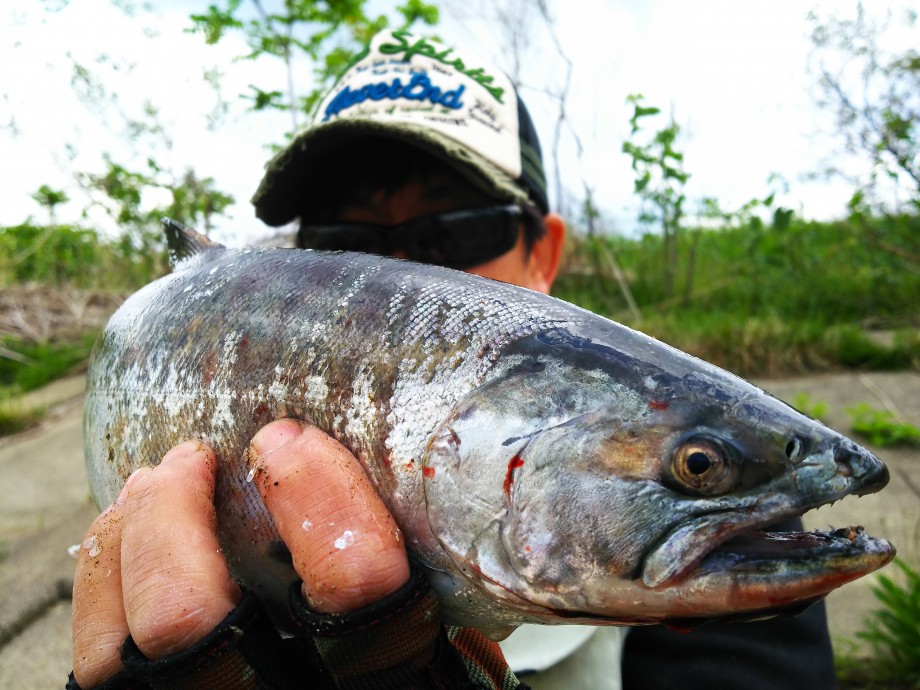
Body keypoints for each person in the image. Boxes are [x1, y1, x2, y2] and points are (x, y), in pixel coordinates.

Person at [70, 28, 837, 690]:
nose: (403, 272)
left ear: (545, 253)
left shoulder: (715, 527)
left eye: (456, 235)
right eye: (351, 246)